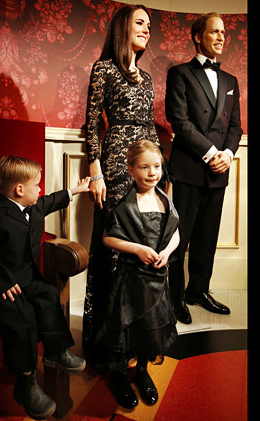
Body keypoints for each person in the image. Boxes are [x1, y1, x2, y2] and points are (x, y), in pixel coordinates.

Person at [0, 155, 90, 420]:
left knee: (48, 294)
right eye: (37, 185)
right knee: (21, 318)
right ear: (19, 189)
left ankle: (56, 351)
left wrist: (76, 190)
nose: (40, 190)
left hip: (26, 279)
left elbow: (51, 200)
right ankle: (26, 383)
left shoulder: (32, 207)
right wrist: (1, 282)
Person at [83, 3, 166, 365]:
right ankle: (110, 347)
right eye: (140, 23)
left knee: (144, 246)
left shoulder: (146, 78)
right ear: (123, 27)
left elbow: (149, 128)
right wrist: (96, 171)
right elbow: (91, 124)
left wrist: (162, 171)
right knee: (116, 252)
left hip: (147, 169)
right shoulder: (103, 68)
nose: (147, 29)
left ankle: (138, 342)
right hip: (116, 167)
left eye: (149, 25)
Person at [164, 12, 243, 324]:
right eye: (214, 32)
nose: (221, 37)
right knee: (179, 238)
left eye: (223, 32)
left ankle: (198, 290)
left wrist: (228, 154)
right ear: (198, 37)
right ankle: (174, 298)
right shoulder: (180, 73)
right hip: (189, 168)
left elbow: (235, 127)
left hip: (219, 170)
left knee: (207, 238)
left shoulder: (231, 81)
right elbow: (179, 121)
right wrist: (211, 152)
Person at [97, 140, 180, 408]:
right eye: (144, 167)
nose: (152, 172)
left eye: (156, 166)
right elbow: (108, 238)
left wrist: (166, 252)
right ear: (131, 169)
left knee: (151, 328)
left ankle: (142, 370)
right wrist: (139, 249)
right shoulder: (125, 205)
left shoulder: (165, 200)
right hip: (131, 280)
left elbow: (176, 233)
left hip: (157, 280)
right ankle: (119, 374)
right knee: (127, 329)